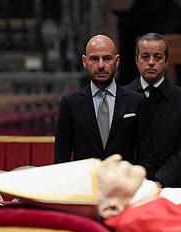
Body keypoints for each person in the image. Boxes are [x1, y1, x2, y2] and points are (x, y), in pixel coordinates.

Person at [54, 34, 150, 166]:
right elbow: (61, 158)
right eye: (94, 59)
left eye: (107, 58)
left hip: (125, 183)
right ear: (84, 61)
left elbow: (145, 154)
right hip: (85, 183)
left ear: (117, 61)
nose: (101, 65)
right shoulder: (70, 104)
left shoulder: (137, 102)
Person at [125, 33, 181, 187]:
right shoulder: (122, 97)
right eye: (145, 57)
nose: (151, 62)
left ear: (166, 61)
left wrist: (160, 180)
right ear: (136, 60)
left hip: (171, 187)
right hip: (130, 186)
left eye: (157, 57)